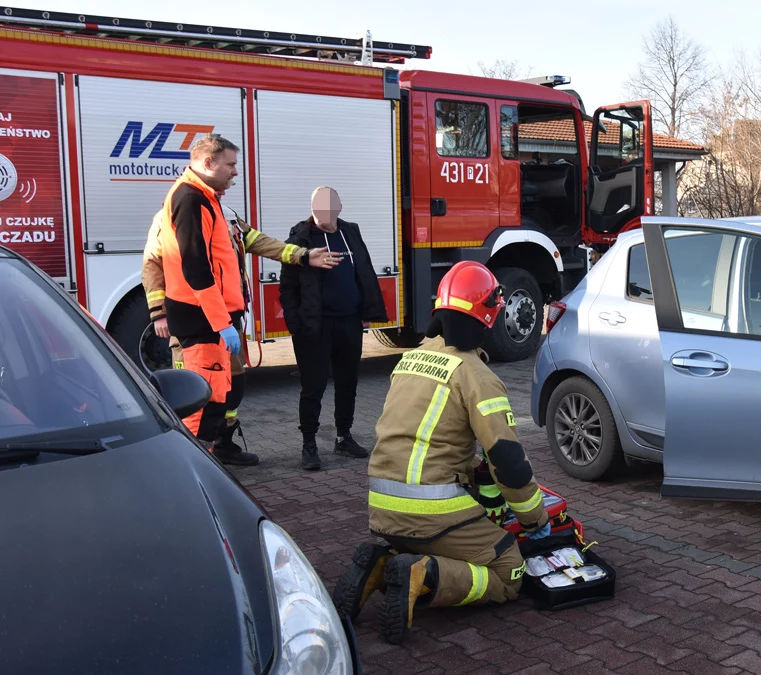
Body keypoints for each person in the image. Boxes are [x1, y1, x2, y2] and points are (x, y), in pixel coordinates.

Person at [330, 261, 551, 644]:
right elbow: (510, 465)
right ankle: (425, 573)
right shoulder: (479, 378)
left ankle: (384, 566)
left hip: (382, 507)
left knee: (434, 537)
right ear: (488, 316)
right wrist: (534, 518)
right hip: (431, 514)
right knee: (509, 569)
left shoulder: (410, 360)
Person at [142, 199, 342, 466]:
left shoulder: (228, 215)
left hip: (225, 319)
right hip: (193, 323)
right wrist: (159, 312)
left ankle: (223, 442)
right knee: (193, 389)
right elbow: (153, 263)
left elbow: (258, 241)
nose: (232, 177)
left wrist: (301, 255)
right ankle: (191, 456)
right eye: (229, 167)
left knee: (233, 385)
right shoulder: (173, 215)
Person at [280, 186, 389, 470]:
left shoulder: (350, 231)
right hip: (315, 327)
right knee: (313, 387)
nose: (326, 213)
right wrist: (296, 325)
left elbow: (363, 269)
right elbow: (287, 289)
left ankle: (343, 437)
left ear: (339, 206)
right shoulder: (300, 238)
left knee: (347, 383)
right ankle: (309, 445)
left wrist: (366, 310)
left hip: (349, 322)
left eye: (330, 205)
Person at [156, 134, 248, 451]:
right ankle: (190, 474)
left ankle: (203, 464)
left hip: (209, 320)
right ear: (208, 163)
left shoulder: (204, 197)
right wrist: (221, 321)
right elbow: (195, 266)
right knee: (201, 404)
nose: (235, 172)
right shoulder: (191, 198)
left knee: (215, 397)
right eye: (231, 164)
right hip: (203, 321)